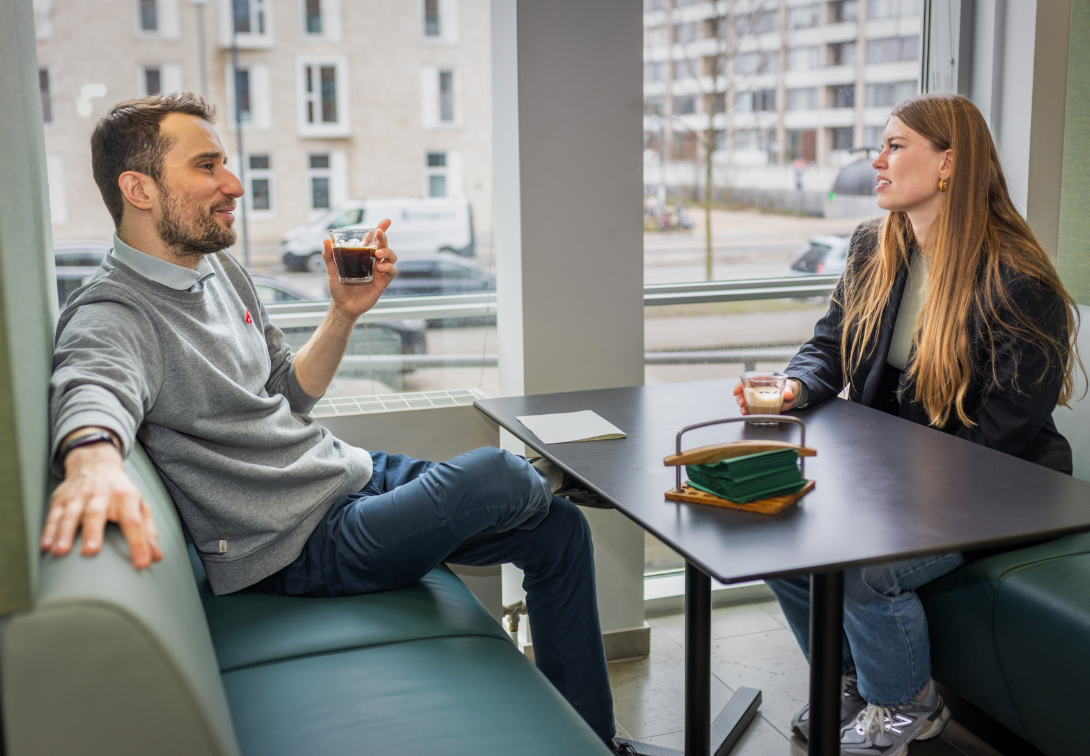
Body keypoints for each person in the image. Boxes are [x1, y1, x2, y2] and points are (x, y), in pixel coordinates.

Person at [40, 93, 628, 754]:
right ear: (138, 189)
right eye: (208, 167)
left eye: (226, 164)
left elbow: (287, 395)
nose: (233, 184)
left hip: (344, 478)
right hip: (297, 545)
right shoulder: (115, 310)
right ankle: (555, 474)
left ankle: (598, 741)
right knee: (496, 473)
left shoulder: (219, 271)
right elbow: (92, 380)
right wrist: (91, 459)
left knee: (560, 531)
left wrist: (343, 313)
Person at [734, 93, 1081, 756]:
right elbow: (829, 343)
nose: (877, 161)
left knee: (867, 566)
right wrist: (795, 384)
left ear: (949, 163)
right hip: (895, 476)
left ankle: (908, 708)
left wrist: (894, 501)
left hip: (1002, 486)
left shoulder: (1018, 279)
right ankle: (850, 682)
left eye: (895, 146)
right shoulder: (874, 245)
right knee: (775, 529)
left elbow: (1006, 431)